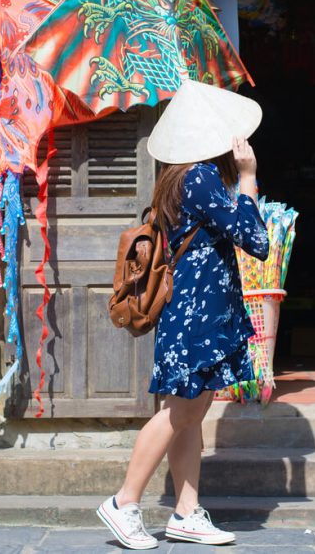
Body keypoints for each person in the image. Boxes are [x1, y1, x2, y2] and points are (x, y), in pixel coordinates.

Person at [97, 80, 269, 550]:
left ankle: (186, 512)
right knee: (182, 410)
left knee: (192, 411)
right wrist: (249, 176)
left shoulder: (181, 176)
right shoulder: (200, 178)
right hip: (197, 314)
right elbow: (256, 240)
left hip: (200, 311)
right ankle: (124, 502)